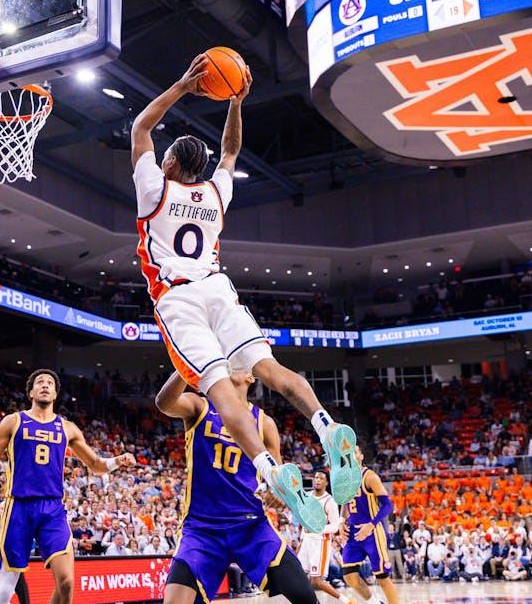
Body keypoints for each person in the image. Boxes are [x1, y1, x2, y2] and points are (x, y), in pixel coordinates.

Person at [129, 54, 361, 532]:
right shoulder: (217, 193)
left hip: (179, 297)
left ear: (170, 162)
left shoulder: (154, 188)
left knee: (220, 392)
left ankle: (270, 470)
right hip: (219, 289)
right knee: (272, 372)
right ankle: (326, 426)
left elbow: (140, 128)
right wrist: (235, 101)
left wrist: (182, 84)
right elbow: (230, 151)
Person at [155, 369, 328, 604]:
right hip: (203, 530)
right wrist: (187, 365)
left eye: (237, 363)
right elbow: (164, 403)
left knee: (305, 597)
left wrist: (278, 494)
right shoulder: (200, 406)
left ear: (250, 377)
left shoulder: (265, 422)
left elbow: (278, 479)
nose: (229, 362)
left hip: (251, 527)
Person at [0, 369, 135, 604]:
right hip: (17, 506)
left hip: (52, 509)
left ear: (55, 393)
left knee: (67, 582)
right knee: (6, 586)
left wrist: (117, 461)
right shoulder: (13, 421)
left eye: (49, 383)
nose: (44, 385)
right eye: (39, 382)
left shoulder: (68, 428)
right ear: (30, 391)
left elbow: (95, 465)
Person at [342, 447, 402, 604]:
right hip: (353, 534)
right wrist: (341, 521)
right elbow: (344, 503)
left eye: (354, 452)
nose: (350, 456)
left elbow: (388, 505)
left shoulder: (370, 477)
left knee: (382, 578)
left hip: (372, 533)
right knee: (349, 577)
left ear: (361, 456)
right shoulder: (344, 480)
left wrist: (370, 525)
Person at [298, 471, 360, 604]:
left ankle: (346, 601)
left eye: (321, 478)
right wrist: (301, 540)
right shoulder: (307, 496)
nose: (318, 480)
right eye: (316, 477)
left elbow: (334, 527)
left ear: (326, 483)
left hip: (320, 542)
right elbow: (304, 520)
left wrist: (317, 528)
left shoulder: (329, 501)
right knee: (299, 580)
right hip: (306, 540)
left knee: (315, 582)